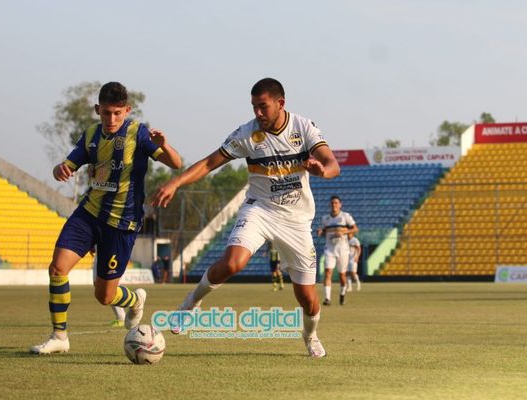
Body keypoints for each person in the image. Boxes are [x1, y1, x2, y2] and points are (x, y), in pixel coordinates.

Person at [152, 78, 340, 358]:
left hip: (296, 222)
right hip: (259, 209)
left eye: (263, 107)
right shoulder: (247, 134)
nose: (258, 114)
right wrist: (176, 183)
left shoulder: (303, 127)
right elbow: (208, 163)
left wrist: (321, 171)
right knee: (232, 262)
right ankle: (190, 303)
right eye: (254, 107)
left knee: (308, 300)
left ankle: (310, 336)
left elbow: (332, 164)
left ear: (281, 103)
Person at [30, 82, 182, 354]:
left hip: (122, 222)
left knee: (105, 296)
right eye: (106, 113)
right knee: (57, 268)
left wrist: (164, 146)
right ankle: (59, 337)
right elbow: (66, 165)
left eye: (117, 113)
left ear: (127, 110)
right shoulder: (90, 135)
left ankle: (135, 300)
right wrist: (59, 170)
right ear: (97, 109)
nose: (111, 119)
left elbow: (176, 164)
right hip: (89, 214)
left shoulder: (139, 133)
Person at [317, 196, 357, 306]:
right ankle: (327, 299)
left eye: (336, 203)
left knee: (342, 275)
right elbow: (324, 231)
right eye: (332, 203)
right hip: (330, 249)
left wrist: (344, 232)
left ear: (340, 204)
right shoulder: (325, 218)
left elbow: (355, 228)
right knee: (328, 272)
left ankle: (342, 294)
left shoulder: (345, 216)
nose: (334, 205)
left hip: (342, 249)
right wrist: (321, 231)